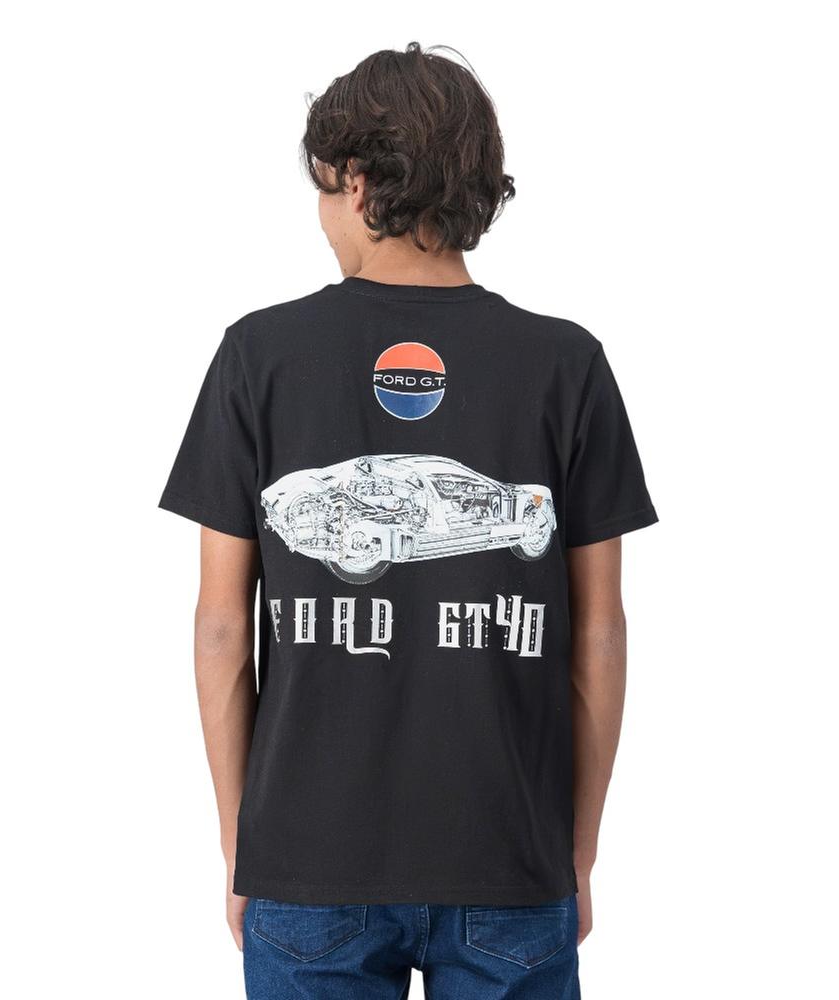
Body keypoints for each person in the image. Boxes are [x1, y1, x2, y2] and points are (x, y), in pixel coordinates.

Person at [160, 42, 657, 1000]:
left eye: (319, 188)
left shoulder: (260, 355)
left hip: (309, 858)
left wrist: (242, 842)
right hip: (509, 855)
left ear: (353, 180)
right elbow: (598, 633)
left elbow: (222, 626)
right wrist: (577, 848)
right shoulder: (565, 365)